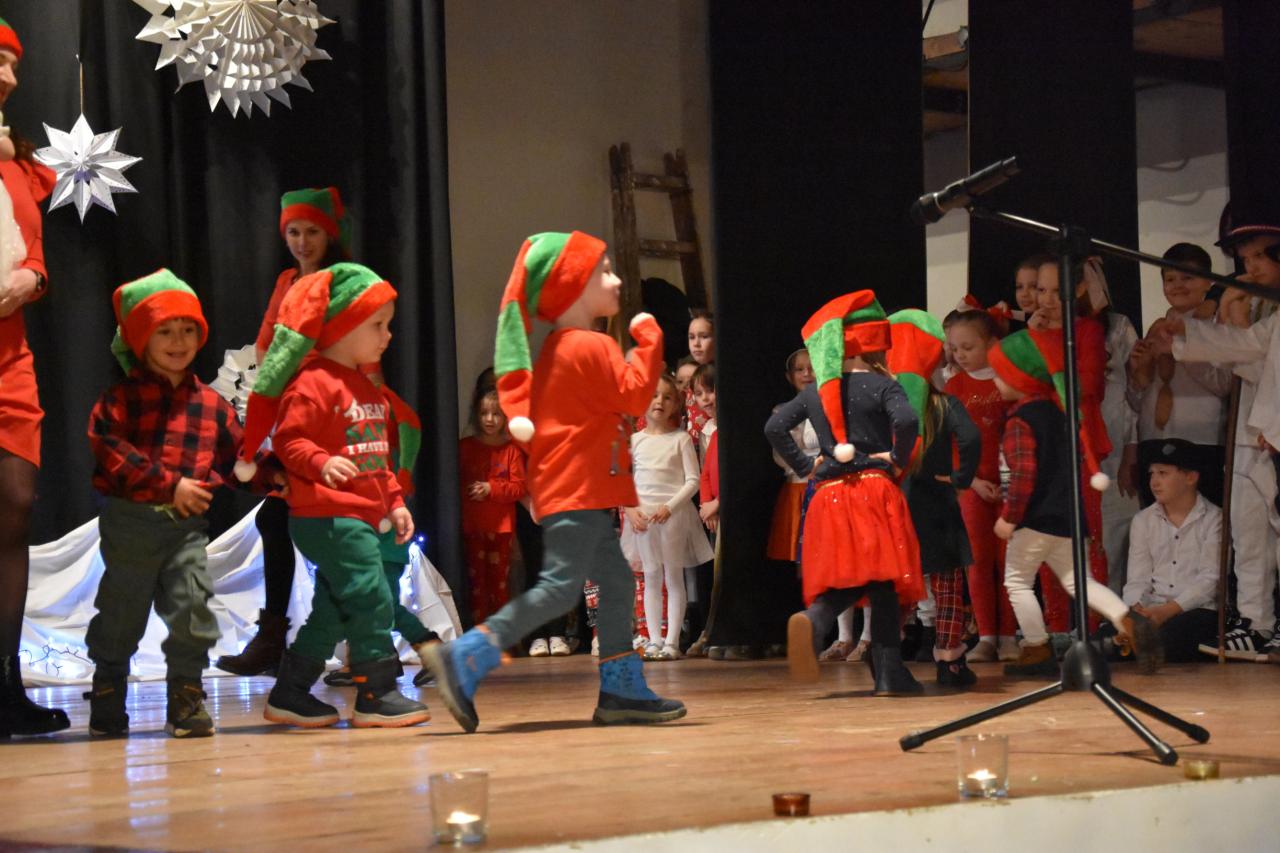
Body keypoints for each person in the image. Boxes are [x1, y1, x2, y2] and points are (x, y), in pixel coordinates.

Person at [425, 231, 685, 732]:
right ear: (574, 287)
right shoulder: (591, 344)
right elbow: (635, 397)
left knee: (612, 581)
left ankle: (621, 690)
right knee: (559, 589)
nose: (615, 280)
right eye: (603, 271)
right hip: (578, 489)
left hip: (574, 489)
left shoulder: (559, 347)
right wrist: (650, 341)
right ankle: (464, 656)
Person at [84, 271, 276, 737]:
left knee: (193, 609)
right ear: (140, 339)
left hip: (187, 529)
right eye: (165, 331)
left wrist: (274, 477)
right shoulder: (121, 399)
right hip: (131, 526)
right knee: (121, 614)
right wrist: (170, 485)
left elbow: (237, 460)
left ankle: (186, 697)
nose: (178, 341)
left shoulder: (210, 404)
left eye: (188, 330)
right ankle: (108, 689)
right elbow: (110, 449)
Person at [237, 262, 428, 728]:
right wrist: (321, 462)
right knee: (370, 592)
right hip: (326, 515)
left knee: (334, 607)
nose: (387, 336)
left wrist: (395, 501)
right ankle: (376, 691)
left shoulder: (369, 390)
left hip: (361, 515)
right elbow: (289, 439)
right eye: (377, 325)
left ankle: (290, 692)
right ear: (342, 325)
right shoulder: (312, 382)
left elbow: (378, 460)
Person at [216, 187, 351, 677]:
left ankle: (355, 643)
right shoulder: (287, 281)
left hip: (329, 414)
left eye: (312, 231)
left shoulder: (343, 280)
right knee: (276, 520)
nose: (302, 241)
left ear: (329, 234)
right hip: (292, 414)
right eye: (293, 232)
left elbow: (346, 347)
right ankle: (279, 641)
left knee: (333, 528)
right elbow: (266, 344)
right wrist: (269, 397)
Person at [766, 291, 925, 696]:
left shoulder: (815, 392)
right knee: (884, 578)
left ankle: (818, 620)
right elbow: (908, 421)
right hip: (873, 490)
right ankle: (888, 673)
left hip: (828, 496)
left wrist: (806, 466)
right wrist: (897, 459)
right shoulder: (883, 386)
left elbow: (774, 427)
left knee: (860, 577)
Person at [988, 329, 1160, 677]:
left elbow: (1024, 475)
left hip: (1034, 520)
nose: (994, 381)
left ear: (1018, 377)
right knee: (1080, 582)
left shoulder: (1021, 421)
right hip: (1069, 519)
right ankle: (1128, 620)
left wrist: (1009, 517)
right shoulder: (1060, 414)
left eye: (999, 373)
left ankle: (1036, 648)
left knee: (1017, 582)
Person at [1152, 224, 1280, 658]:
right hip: (1252, 433)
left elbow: (1258, 363)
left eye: (1260, 256)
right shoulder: (1259, 302)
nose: (1252, 268)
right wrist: (1186, 338)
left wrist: (1226, 319)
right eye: (1246, 260)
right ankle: (1256, 624)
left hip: (1268, 432)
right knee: (1248, 536)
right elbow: (1249, 354)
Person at [0, 18, 68, 738]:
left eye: (15, 65)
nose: (11, 78)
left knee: (14, 505)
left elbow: (38, 257)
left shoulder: (17, 163)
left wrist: (31, 280)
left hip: (9, 358)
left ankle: (5, 687)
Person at [890, 310, 982, 687]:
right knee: (946, 586)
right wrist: (961, 478)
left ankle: (886, 657)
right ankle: (949, 661)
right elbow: (971, 438)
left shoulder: (890, 407)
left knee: (899, 585)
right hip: (938, 505)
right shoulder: (946, 404)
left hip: (898, 505)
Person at [1029, 257, 1113, 633]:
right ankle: (1058, 627)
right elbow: (1025, 385)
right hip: (1043, 444)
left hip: (1081, 444)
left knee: (1086, 535)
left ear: (1078, 289)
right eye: (1041, 290)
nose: (1046, 299)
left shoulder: (1088, 330)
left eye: (1056, 290)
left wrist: (1046, 342)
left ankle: (1091, 626)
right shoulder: (1033, 332)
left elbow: (1087, 386)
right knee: (1047, 537)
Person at [1125, 243, 1228, 509]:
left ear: (1208, 282)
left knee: (1204, 523)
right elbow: (1137, 402)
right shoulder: (1157, 328)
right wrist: (1138, 373)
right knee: (1155, 521)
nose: (1178, 285)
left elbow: (1224, 385)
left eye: (1187, 277)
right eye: (1170, 279)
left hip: (1201, 440)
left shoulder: (1218, 328)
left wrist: (1180, 351)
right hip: (1152, 440)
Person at [943, 307, 1020, 662]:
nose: (960, 355)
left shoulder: (1010, 381)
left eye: (968, 347)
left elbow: (1020, 434)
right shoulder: (954, 387)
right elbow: (949, 444)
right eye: (954, 348)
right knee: (977, 561)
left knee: (1010, 562)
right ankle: (986, 635)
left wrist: (1012, 479)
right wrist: (972, 481)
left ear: (992, 344)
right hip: (971, 488)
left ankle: (1009, 636)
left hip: (1011, 485)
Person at [622, 374, 713, 660]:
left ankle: (672, 642)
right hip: (643, 519)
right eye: (653, 395)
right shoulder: (635, 441)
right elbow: (623, 482)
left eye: (667, 397)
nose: (659, 401)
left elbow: (692, 480)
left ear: (676, 404)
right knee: (650, 575)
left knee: (673, 575)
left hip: (672, 517)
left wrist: (670, 507)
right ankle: (654, 640)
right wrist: (630, 509)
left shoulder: (680, 439)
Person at [1121, 439, 1222, 663]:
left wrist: (1168, 610)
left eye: (1163, 473)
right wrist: (1137, 608)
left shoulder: (1214, 519)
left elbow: (1210, 580)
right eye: (1152, 474)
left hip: (1196, 609)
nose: (1154, 482)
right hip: (1152, 607)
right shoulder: (1143, 520)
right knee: (1108, 639)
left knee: (1168, 640)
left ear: (1190, 477)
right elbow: (1137, 578)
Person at [459, 379, 527, 626]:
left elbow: (519, 487)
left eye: (496, 414)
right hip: (472, 527)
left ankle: (500, 635)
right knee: (476, 585)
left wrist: (491, 488)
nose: (489, 419)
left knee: (499, 586)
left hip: (501, 530)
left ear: (505, 416)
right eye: (484, 413)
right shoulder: (465, 447)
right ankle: (479, 634)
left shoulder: (511, 450)